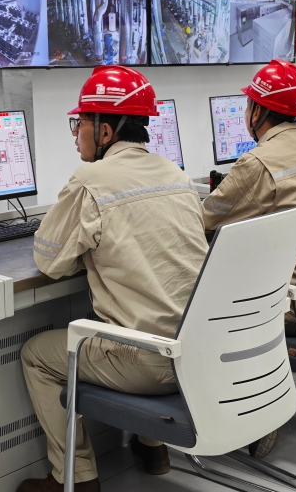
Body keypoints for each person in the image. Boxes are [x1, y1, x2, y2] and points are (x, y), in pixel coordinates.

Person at [18, 66, 209, 492]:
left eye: (80, 124)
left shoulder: (91, 181)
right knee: (139, 308)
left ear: (105, 131)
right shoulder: (177, 175)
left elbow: (49, 261)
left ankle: (75, 477)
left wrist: (85, 249)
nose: (76, 136)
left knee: (37, 354)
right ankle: (153, 448)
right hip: (195, 351)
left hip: (147, 364)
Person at [202, 59, 296, 458]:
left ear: (258, 111)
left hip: (284, 304)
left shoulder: (258, 163)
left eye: (248, 104)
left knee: (205, 306)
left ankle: (259, 407)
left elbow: (205, 219)